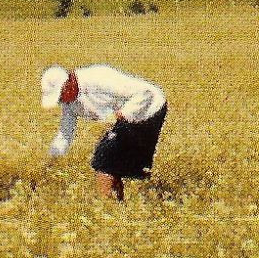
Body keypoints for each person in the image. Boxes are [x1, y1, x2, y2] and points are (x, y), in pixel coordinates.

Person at [41, 64, 168, 201]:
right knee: (112, 160)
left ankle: (105, 205)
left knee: (104, 157)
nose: (61, 101)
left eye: (61, 95)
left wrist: (120, 115)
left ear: (69, 82)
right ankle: (117, 205)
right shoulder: (68, 102)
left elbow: (144, 93)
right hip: (123, 118)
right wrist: (52, 159)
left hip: (149, 109)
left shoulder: (99, 78)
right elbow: (65, 132)